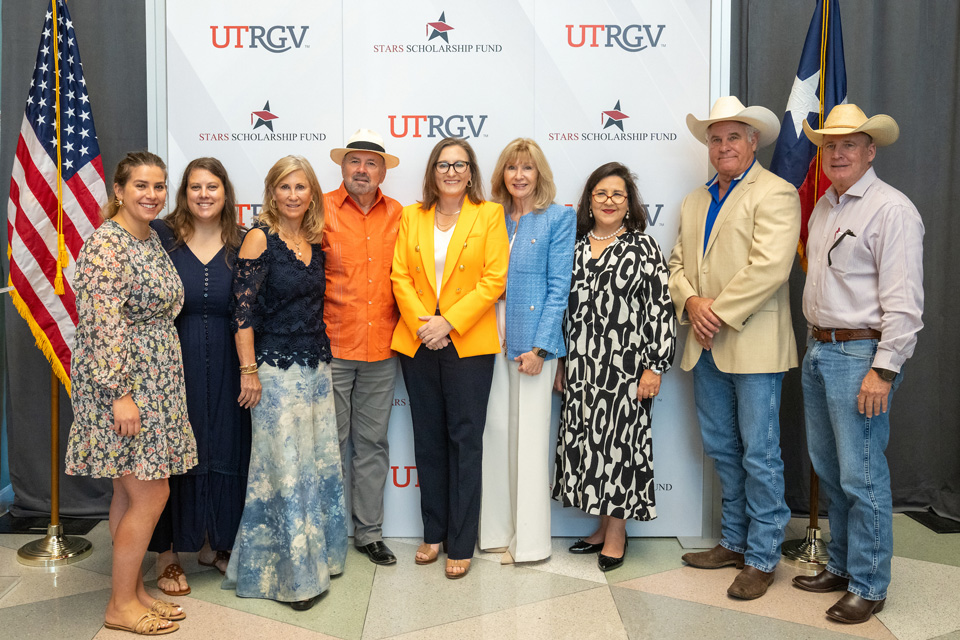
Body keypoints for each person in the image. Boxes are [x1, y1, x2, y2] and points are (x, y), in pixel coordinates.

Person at [793, 104, 924, 624]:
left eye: (851, 144)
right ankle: (844, 566)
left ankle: (870, 584)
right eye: (830, 145)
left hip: (859, 355)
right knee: (829, 469)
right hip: (819, 349)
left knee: (862, 474)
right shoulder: (825, 205)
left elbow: (906, 303)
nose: (838, 153)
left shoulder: (892, 210)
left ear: (871, 151)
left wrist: (884, 369)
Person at [668, 96, 800, 599]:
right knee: (724, 450)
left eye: (733, 137)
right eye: (715, 138)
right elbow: (677, 264)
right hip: (705, 344)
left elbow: (769, 267)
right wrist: (692, 302)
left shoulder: (777, 192)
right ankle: (735, 540)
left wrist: (714, 312)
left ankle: (763, 556)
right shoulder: (694, 200)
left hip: (753, 346)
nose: (723, 146)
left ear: (753, 141)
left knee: (761, 454)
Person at [65, 150, 197, 635]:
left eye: (160, 186)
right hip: (123, 387)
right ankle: (119, 605)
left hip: (156, 382)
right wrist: (120, 393)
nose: (152, 194)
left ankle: (133, 591)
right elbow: (102, 325)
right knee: (150, 492)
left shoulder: (150, 237)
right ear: (118, 191)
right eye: (141, 185)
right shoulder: (107, 245)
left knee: (127, 490)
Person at [224, 156, 346, 611]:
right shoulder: (260, 238)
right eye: (284, 187)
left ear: (312, 193)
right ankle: (291, 578)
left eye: (301, 187)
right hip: (274, 372)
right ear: (271, 192)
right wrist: (249, 370)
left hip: (316, 368)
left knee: (315, 467)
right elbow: (241, 313)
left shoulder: (313, 239)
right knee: (284, 471)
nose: (293, 195)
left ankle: (322, 559)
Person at [391, 137, 508, 579]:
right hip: (419, 340)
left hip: (468, 342)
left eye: (460, 164)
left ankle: (461, 541)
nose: (452, 172)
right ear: (432, 172)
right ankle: (433, 532)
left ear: (471, 172)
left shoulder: (489, 214)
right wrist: (425, 325)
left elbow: (494, 278)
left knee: (464, 440)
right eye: (444, 164)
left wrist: (448, 322)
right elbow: (399, 274)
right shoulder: (411, 215)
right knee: (428, 438)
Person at [552, 162, 676, 572]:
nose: (608, 201)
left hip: (627, 369)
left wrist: (655, 366)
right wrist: (563, 363)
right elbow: (563, 311)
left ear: (629, 203)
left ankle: (618, 533)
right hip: (583, 366)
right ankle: (602, 526)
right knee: (590, 447)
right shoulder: (574, 246)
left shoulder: (643, 247)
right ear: (589, 200)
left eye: (617, 195)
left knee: (621, 449)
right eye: (601, 194)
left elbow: (660, 309)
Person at [148, 158, 251, 596]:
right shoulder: (160, 237)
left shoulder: (244, 241)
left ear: (226, 192)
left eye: (213, 186)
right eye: (195, 187)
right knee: (175, 454)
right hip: (174, 362)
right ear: (183, 193)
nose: (204, 195)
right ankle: (168, 553)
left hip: (232, 360)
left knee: (228, 447)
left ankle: (221, 543)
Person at [479, 138, 575, 564]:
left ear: (540, 174)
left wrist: (541, 348)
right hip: (488, 343)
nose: (519, 175)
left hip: (534, 346)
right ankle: (498, 532)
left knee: (531, 445)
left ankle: (531, 543)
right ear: (502, 174)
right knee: (497, 437)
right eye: (512, 168)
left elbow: (559, 289)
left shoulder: (557, 218)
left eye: (528, 168)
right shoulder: (489, 216)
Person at [323, 130, 402, 566]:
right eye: (354, 161)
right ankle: (330, 532)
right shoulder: (320, 208)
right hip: (332, 347)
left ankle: (369, 533)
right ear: (342, 167)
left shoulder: (400, 216)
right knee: (330, 444)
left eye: (371, 162)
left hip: (383, 350)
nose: (362, 170)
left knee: (371, 445)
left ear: (383, 170)